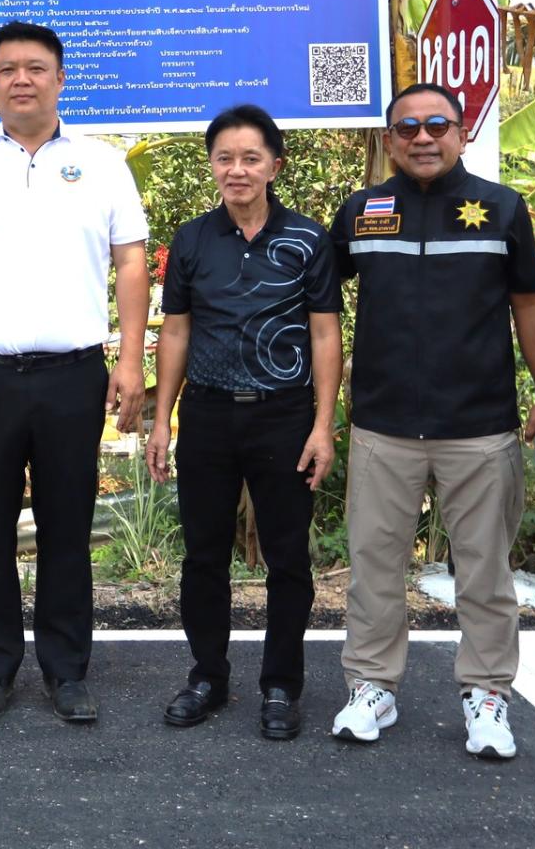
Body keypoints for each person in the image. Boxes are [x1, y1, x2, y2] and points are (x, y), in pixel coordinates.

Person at [0, 21, 150, 725]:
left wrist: (129, 359)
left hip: (73, 377)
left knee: (66, 527)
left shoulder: (102, 163)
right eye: (8, 69)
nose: (22, 79)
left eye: (36, 67)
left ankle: (66, 671)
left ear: (60, 78)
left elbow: (131, 261)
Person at [327, 82, 535, 759]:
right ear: (389, 140)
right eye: (407, 128)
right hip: (383, 425)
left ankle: (487, 694)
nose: (423, 137)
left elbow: (531, 304)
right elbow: (321, 309)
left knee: (484, 572)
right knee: (374, 567)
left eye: (438, 125)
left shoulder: (501, 208)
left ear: (461, 133)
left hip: (479, 427)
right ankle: (372, 686)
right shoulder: (361, 212)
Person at [146, 104, 341, 740]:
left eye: (250, 158)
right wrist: (162, 419)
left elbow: (324, 334)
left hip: (284, 417)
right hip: (207, 414)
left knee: (288, 558)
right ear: (212, 165)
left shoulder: (308, 240)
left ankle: (281, 686)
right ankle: (207, 676)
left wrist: (322, 425)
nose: (237, 170)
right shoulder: (192, 240)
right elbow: (176, 331)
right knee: (203, 555)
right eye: (225, 158)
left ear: (274, 166)